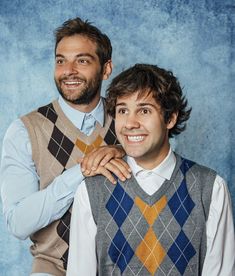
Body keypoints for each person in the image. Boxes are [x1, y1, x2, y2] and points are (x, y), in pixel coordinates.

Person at [67, 63, 235, 275]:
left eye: (144, 110)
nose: (130, 123)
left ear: (170, 118)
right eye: (122, 110)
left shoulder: (210, 188)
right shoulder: (92, 191)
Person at [0, 17, 131, 276]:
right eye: (61, 60)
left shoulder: (129, 119)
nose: (68, 70)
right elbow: (18, 223)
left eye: (82, 60)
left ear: (106, 69)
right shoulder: (26, 130)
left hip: (125, 267)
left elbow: (160, 164)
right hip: (55, 268)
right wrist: (81, 172)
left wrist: (123, 150)